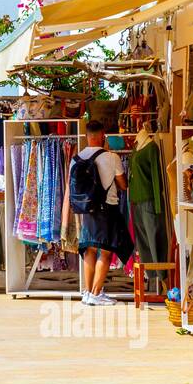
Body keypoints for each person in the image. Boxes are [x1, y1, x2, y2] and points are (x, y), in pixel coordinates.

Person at [77, 120, 134, 306]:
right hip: (106, 209)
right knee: (106, 253)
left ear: (87, 136)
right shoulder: (112, 157)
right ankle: (96, 293)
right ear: (103, 136)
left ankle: (87, 292)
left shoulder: (77, 157)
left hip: (86, 210)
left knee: (89, 250)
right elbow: (123, 185)